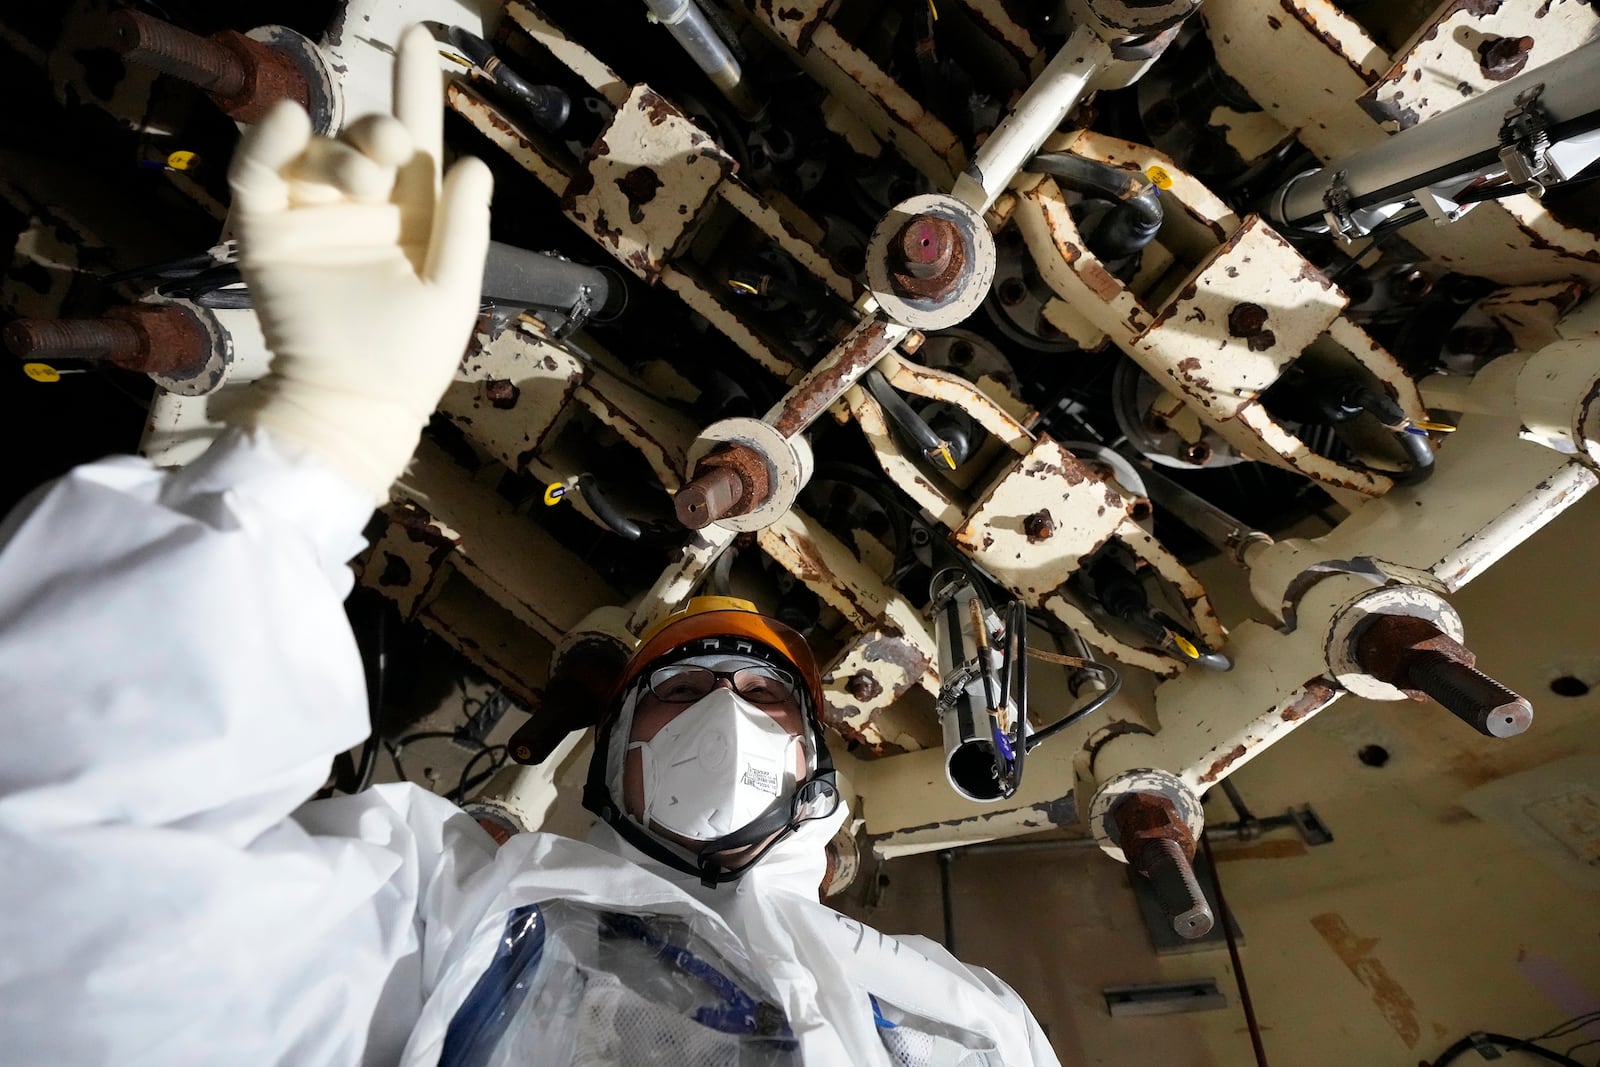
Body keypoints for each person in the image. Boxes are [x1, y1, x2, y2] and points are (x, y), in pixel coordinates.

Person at [0, 25, 1059, 1067]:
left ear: (819, 781)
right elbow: (75, 909)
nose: (726, 724)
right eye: (691, 693)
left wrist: (295, 476)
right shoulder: (435, 926)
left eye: (762, 701)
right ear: (601, 771)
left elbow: (52, 892)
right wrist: (325, 435)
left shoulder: (950, 1023)